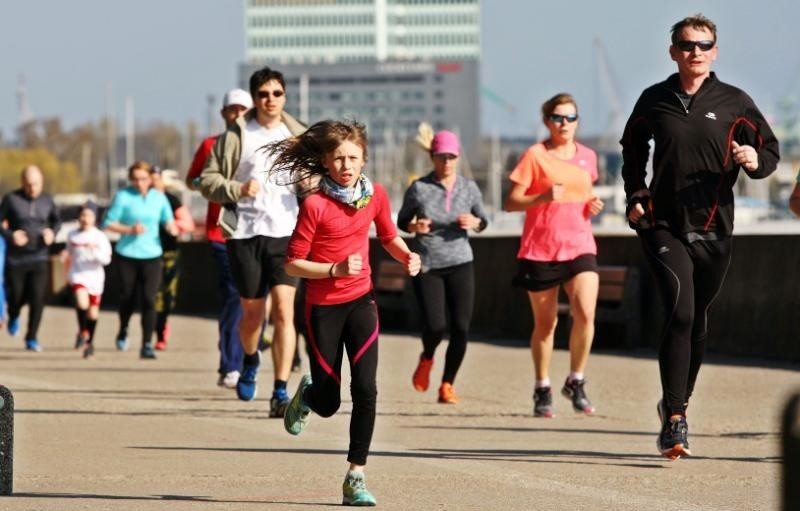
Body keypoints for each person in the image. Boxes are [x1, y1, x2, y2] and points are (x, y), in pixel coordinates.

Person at [620, 14, 779, 460]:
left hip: (714, 227)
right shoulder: (655, 99)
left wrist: (754, 159)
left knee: (698, 319)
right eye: (687, 45)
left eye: (704, 45)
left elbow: (770, 151)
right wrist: (636, 192)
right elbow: (632, 148)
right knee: (681, 310)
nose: (696, 52)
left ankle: (677, 401)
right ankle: (675, 421)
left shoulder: (734, 102)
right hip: (663, 225)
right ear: (673, 51)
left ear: (715, 51)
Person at [275, 119, 420, 506]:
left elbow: (388, 235)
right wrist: (332, 271)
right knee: (329, 402)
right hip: (322, 308)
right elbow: (292, 264)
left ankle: (355, 476)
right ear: (325, 161)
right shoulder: (315, 205)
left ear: (364, 160)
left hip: (361, 301)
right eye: (338, 157)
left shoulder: (376, 197)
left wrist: (407, 255)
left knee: (367, 389)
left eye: (353, 157)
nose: (346, 164)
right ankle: (308, 395)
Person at [198, 67, 305, 415]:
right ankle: (249, 358)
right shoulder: (236, 136)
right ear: (254, 99)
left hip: (287, 232)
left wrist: (307, 176)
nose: (270, 100)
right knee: (252, 317)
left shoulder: (298, 135)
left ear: (285, 97)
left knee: (285, 313)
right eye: (263, 94)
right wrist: (237, 189)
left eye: (276, 93)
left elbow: (320, 179)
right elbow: (206, 180)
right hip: (245, 233)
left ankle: (280, 391)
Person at [504, 93, 604, 418]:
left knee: (586, 313)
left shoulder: (588, 156)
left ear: (578, 122)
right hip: (541, 248)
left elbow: (585, 193)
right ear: (547, 121)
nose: (565, 123)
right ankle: (542, 386)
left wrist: (593, 205)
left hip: (580, 244)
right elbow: (511, 202)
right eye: (558, 117)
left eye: (571, 117)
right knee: (546, 325)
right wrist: (543, 196)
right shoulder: (535, 155)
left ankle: (576, 379)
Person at [397, 130, 489, 404]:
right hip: (428, 263)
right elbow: (402, 221)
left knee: (461, 327)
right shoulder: (419, 188)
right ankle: (427, 357)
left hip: (461, 261)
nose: (446, 162)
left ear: (457, 158)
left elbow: (483, 221)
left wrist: (474, 223)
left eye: (450, 157)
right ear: (432, 157)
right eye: (441, 157)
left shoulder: (469, 188)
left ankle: (447, 384)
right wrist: (415, 226)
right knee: (436, 326)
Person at [186, 88, 251, 388]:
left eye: (243, 110)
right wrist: (212, 184)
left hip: (259, 232)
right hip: (221, 233)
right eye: (232, 110)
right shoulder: (211, 144)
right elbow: (192, 179)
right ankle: (230, 364)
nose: (237, 115)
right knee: (233, 298)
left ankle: (247, 353)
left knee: (254, 300)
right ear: (224, 114)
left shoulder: (262, 144)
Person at [103, 161, 178, 359]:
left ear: (150, 179)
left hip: (152, 254)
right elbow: (108, 223)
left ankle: (146, 344)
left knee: (149, 300)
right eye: (135, 179)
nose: (139, 183)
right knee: (127, 297)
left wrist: (172, 228)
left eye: (143, 179)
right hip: (127, 254)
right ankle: (124, 328)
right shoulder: (123, 196)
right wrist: (129, 230)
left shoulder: (159, 198)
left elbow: (168, 219)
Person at [0, 165, 61, 352]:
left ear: (41, 183)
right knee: (17, 296)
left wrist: (53, 232)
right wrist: (11, 235)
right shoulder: (11, 199)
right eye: (27, 185)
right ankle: (14, 315)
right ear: (22, 183)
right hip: (16, 258)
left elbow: (56, 222)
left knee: (37, 298)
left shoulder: (48, 200)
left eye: (35, 184)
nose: (31, 189)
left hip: (39, 256)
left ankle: (32, 337)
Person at [151, 167, 195, 351]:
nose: (152, 182)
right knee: (151, 296)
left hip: (168, 253)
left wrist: (173, 225)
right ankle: (153, 333)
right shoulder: (140, 200)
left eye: (155, 178)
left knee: (166, 296)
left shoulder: (171, 200)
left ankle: (162, 330)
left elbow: (189, 224)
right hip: (147, 253)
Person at [64, 201, 112, 358]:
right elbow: (69, 251)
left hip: (95, 278)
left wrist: (94, 251)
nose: (85, 219)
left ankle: (89, 341)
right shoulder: (72, 235)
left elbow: (106, 259)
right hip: (78, 274)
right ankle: (83, 331)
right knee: (82, 302)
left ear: (94, 218)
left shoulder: (99, 237)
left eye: (89, 215)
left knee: (93, 313)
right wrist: (65, 257)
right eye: (82, 215)